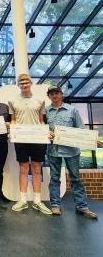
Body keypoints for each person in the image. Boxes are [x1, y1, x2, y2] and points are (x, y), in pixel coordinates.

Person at [46, 85, 97, 219]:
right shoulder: (46, 112)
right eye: (51, 94)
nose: (54, 95)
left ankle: (82, 207)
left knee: (75, 178)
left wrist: (91, 140)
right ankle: (55, 205)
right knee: (54, 178)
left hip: (72, 151)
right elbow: (42, 129)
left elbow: (80, 129)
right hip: (53, 150)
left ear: (61, 95)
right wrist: (48, 133)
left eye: (57, 93)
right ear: (49, 96)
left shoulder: (72, 110)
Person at [8, 74, 51, 215]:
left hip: (37, 139)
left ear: (31, 83)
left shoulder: (40, 100)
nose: (24, 84)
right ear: (18, 85)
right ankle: (23, 200)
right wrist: (12, 130)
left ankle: (38, 201)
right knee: (23, 169)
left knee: (37, 169)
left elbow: (41, 120)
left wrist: (46, 131)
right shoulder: (12, 101)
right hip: (21, 139)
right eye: (21, 82)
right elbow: (13, 120)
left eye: (26, 82)